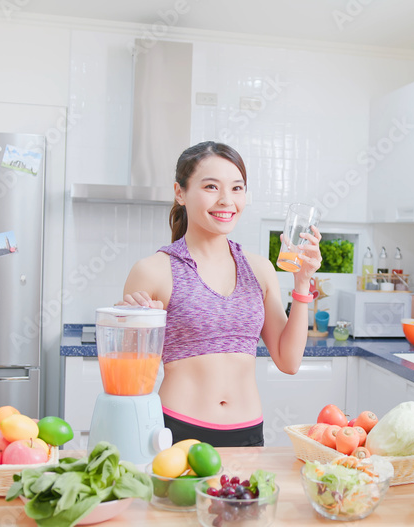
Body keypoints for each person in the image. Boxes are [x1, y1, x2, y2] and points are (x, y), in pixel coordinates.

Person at [118, 141, 322, 447]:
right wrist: (128, 323)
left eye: (237, 188)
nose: (227, 200)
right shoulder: (154, 270)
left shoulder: (260, 269)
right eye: (211, 187)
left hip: (249, 433)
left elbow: (289, 361)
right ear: (180, 193)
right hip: (177, 430)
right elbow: (128, 376)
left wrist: (302, 284)